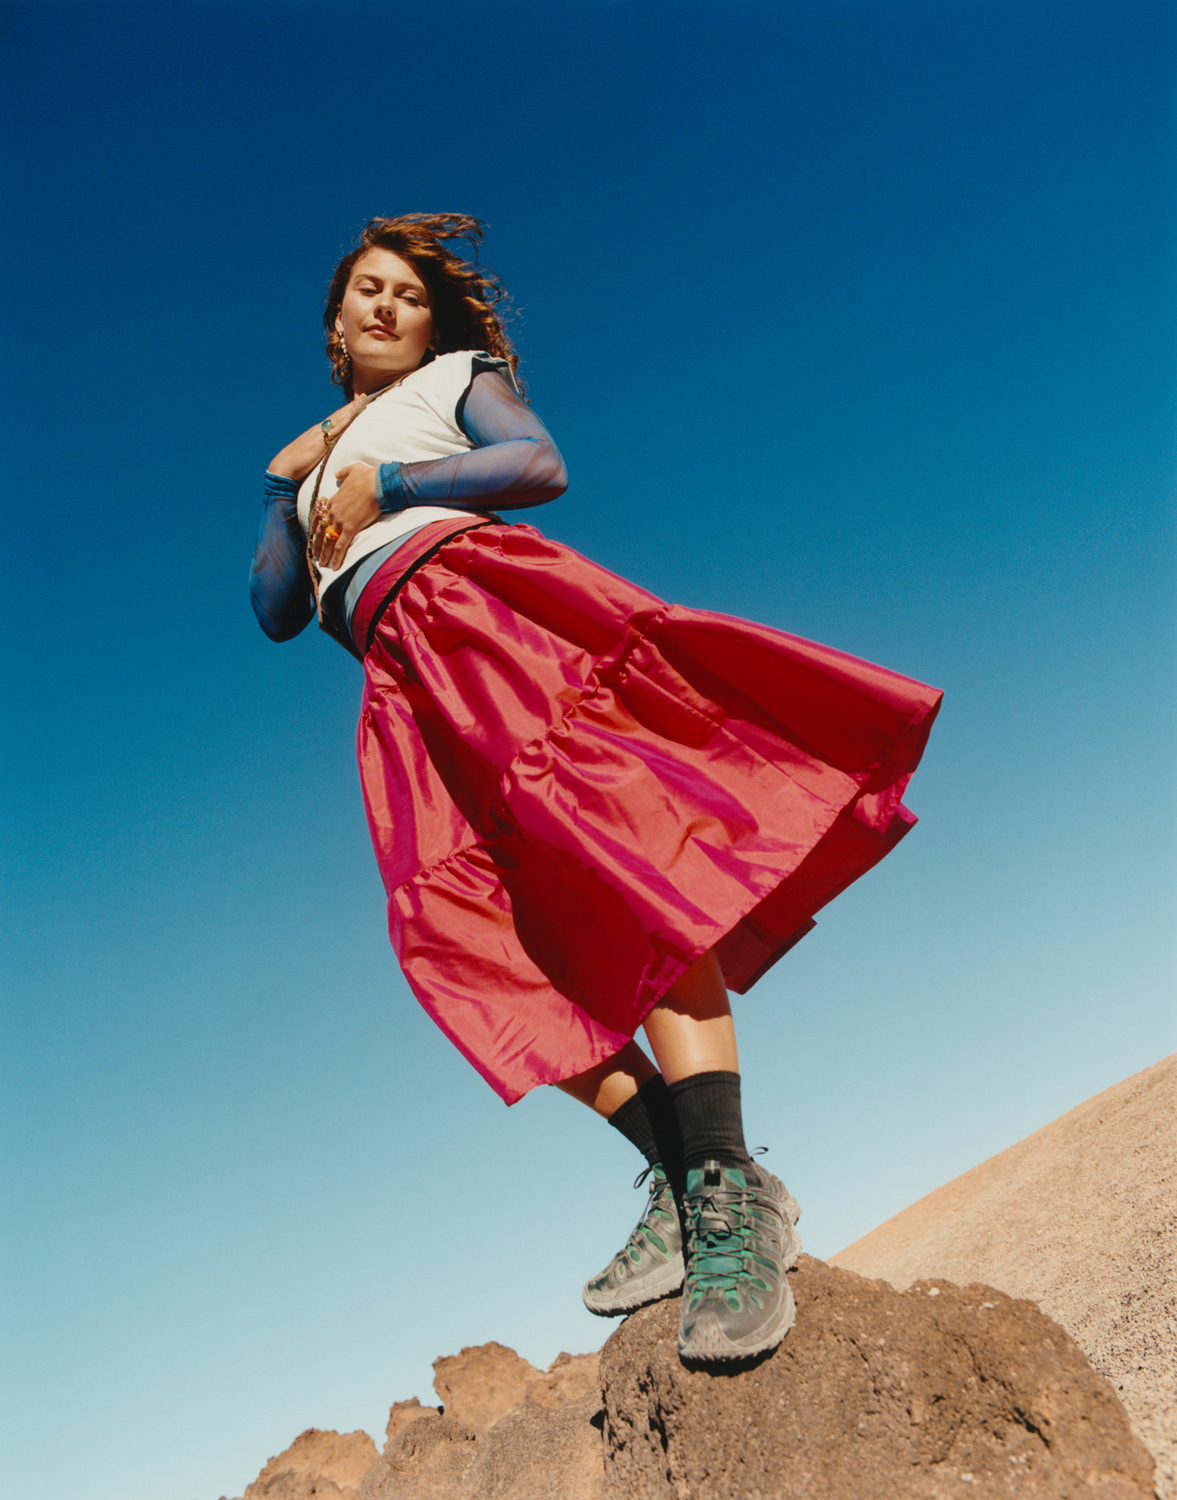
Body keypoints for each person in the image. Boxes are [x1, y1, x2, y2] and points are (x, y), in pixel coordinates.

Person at [250, 213, 941, 1362]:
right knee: (473, 944)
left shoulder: (451, 383)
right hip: (398, 688)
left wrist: (393, 480)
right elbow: (277, 609)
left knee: (621, 871)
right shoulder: (312, 465)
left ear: (429, 322)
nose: (386, 306)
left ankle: (720, 1199)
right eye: (367, 290)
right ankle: (698, 1177)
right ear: (335, 320)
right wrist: (282, 489)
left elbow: (538, 465)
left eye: (407, 295)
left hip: (480, 611)